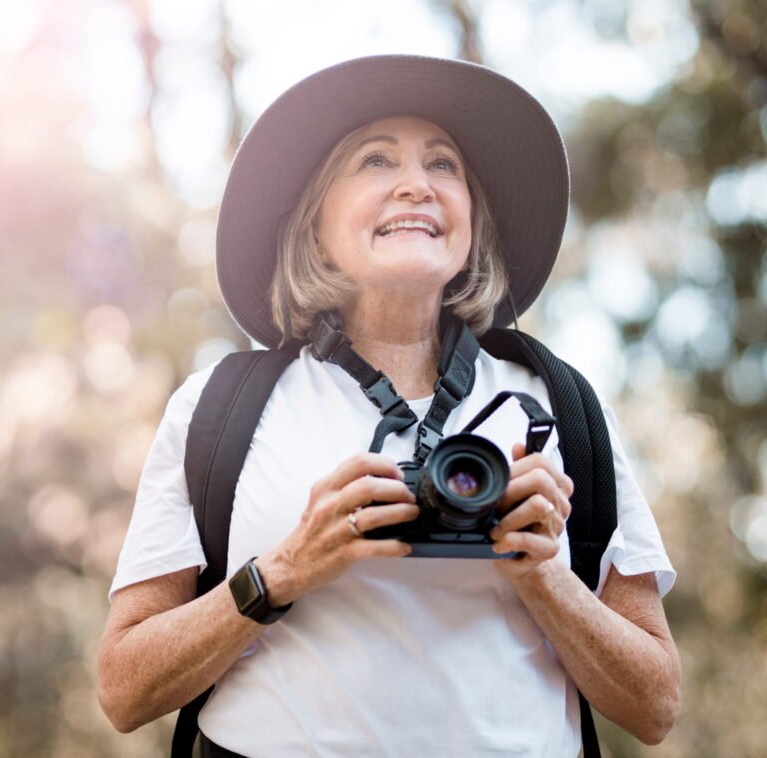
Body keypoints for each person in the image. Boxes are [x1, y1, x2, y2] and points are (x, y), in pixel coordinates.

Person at [98, 55, 681, 757]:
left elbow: (655, 706)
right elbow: (124, 691)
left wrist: (545, 576)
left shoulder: (558, 406)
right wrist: (284, 569)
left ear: (470, 222)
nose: (416, 185)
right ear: (315, 225)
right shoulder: (220, 407)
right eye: (376, 162)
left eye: (444, 165)